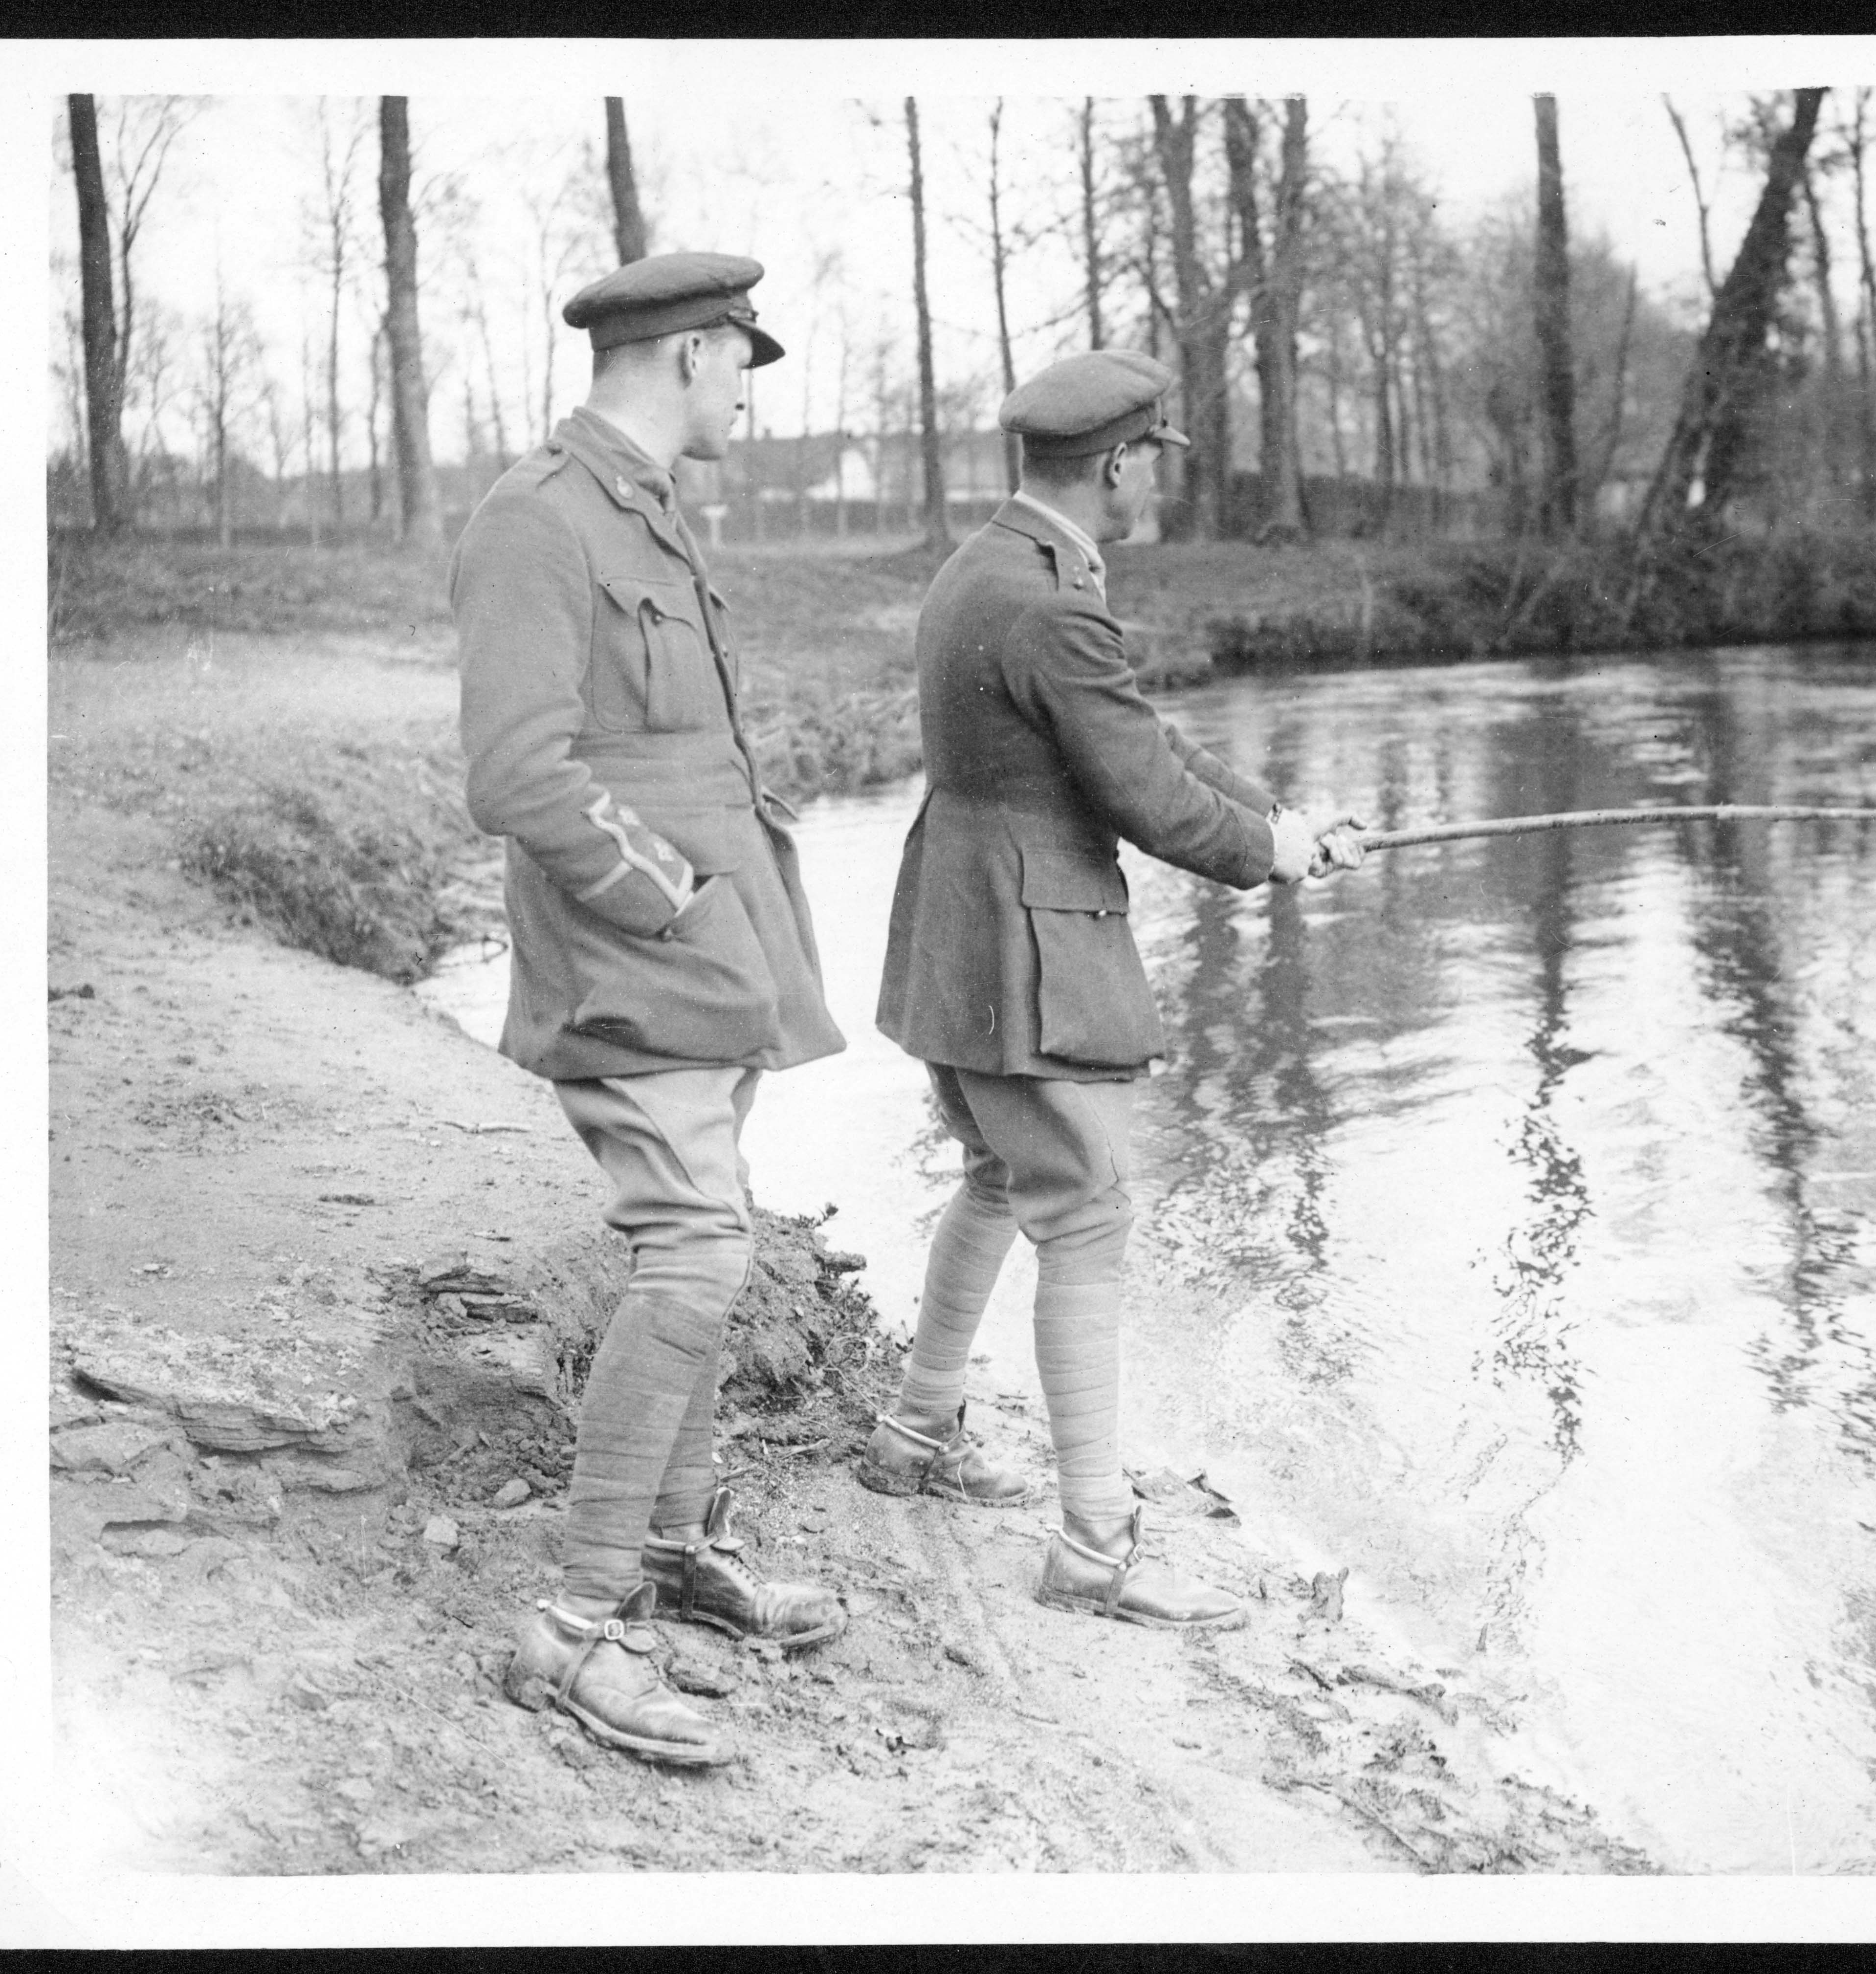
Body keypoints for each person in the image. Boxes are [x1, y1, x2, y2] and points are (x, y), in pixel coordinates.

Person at [863, 348, 1365, 1632]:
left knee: (997, 1177)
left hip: (952, 937)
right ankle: (1093, 1548)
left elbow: (1144, 740)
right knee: (1083, 1215)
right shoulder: (1050, 604)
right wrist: (1265, 854)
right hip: (1028, 946)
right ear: (1120, 464)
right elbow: (1140, 792)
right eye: (1154, 460)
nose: (1157, 482)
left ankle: (915, 1432)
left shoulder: (985, 569)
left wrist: (1284, 816)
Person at [454, 252, 848, 1767]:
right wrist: (673, 901)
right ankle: (573, 1621)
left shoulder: (645, 506)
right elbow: (518, 773)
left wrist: (725, 908)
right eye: (739, 358)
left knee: (709, 1231)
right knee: (693, 1247)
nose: (747, 386)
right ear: (689, 354)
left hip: (714, 949)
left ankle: (678, 1550)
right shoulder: (537, 518)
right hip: (641, 953)